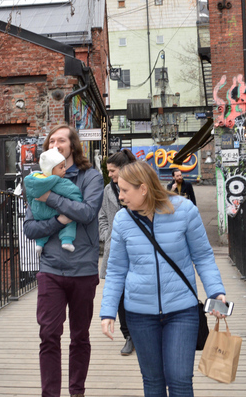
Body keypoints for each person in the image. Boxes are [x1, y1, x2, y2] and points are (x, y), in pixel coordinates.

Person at [100, 161, 227, 397]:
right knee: (153, 382)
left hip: (182, 310)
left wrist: (216, 292)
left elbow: (203, 257)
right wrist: (108, 312)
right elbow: (116, 270)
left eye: (125, 190)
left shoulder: (185, 210)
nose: (121, 196)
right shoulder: (122, 220)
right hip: (139, 314)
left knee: (180, 380)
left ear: (144, 189)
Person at [23, 124, 104, 397]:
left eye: (61, 140)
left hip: (82, 269)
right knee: (48, 335)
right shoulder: (36, 179)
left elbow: (87, 213)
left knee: (80, 336)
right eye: (51, 141)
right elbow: (30, 229)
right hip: (50, 269)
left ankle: (77, 391)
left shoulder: (91, 177)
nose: (55, 144)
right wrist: (58, 220)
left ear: (73, 146)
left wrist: (50, 197)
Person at [98, 148, 136, 356]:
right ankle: (128, 335)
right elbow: (102, 215)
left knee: (135, 290)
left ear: (123, 168)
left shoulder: (138, 187)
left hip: (138, 248)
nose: (110, 174)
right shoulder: (107, 190)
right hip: (115, 248)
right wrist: (107, 235)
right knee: (119, 293)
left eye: (112, 170)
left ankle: (141, 332)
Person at [25, 148, 83, 254]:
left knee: (40, 224)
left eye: (64, 166)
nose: (64, 169)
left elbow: (29, 196)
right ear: (50, 170)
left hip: (38, 211)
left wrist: (33, 205)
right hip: (53, 211)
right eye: (61, 167)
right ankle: (66, 240)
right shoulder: (57, 181)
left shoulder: (33, 179)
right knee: (70, 219)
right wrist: (78, 199)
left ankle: (39, 243)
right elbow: (72, 192)